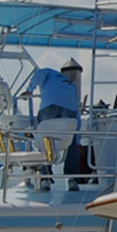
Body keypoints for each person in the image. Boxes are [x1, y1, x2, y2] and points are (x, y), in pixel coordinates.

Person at [20, 59, 83, 188]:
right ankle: (73, 180)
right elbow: (77, 115)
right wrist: (77, 139)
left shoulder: (49, 72)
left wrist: (30, 89)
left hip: (50, 105)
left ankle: (45, 178)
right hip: (70, 109)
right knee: (71, 144)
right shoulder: (71, 85)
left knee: (44, 140)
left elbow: (39, 74)